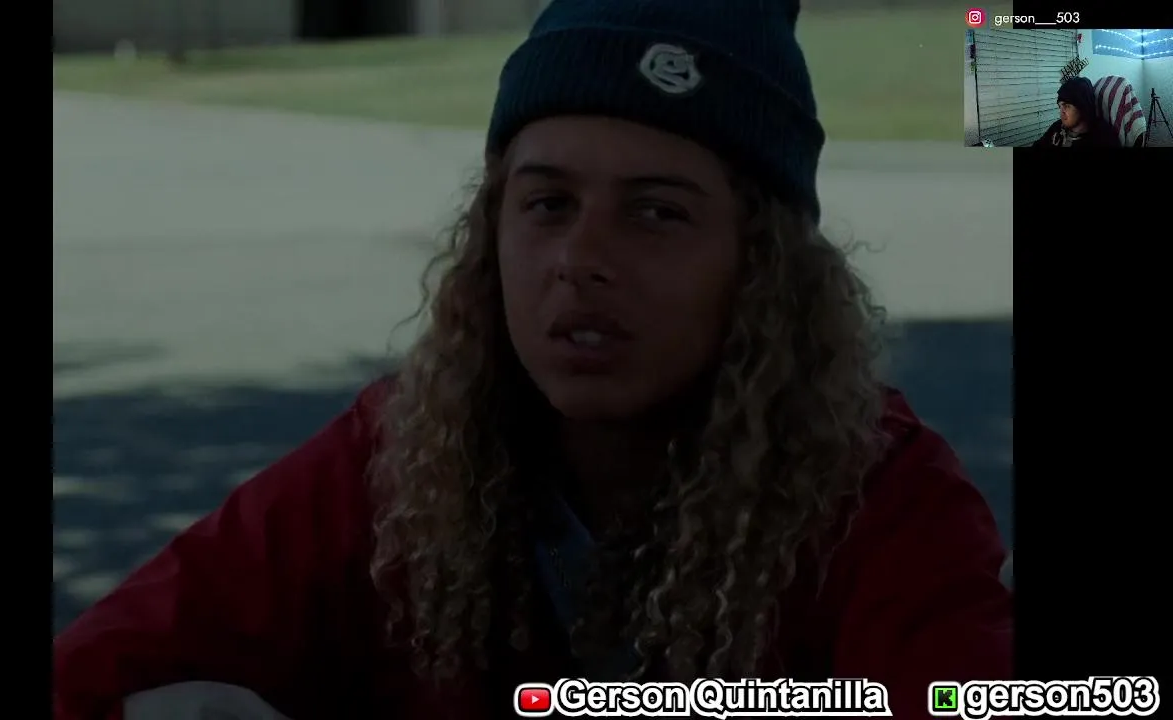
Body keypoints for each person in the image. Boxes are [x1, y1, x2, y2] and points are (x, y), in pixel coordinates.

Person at [53, 0, 1012, 718]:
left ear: (763, 272)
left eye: (657, 212)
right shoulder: (402, 456)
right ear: (489, 234)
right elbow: (95, 672)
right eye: (548, 203)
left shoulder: (882, 496)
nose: (580, 260)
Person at [1032, 76, 1120, 147]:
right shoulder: (1057, 127)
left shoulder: (1103, 137)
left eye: (1067, 106)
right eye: (1060, 106)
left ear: (1082, 106)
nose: (1061, 112)